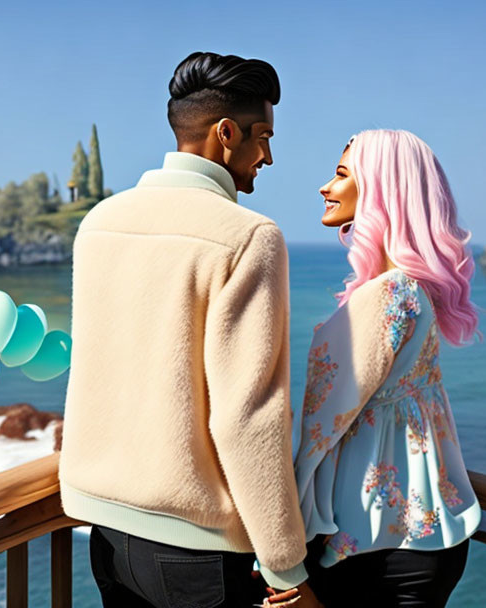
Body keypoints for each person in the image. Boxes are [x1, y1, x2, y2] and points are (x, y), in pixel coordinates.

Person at [59, 52, 321, 608]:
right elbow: (248, 416)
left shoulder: (100, 222)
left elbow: (97, 369)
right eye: (263, 136)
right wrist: (286, 568)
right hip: (195, 551)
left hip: (103, 535)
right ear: (226, 133)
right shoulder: (249, 237)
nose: (269, 155)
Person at [294, 130, 481, 607]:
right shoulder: (414, 289)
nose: (324, 187)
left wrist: (278, 558)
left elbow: (317, 432)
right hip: (423, 536)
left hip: (369, 546)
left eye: (340, 175)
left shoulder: (388, 294)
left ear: (380, 187)